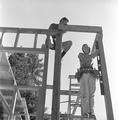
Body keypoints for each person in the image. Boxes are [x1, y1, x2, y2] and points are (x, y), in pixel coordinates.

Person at [75, 42, 99, 118]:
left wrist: (97, 49)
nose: (86, 48)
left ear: (89, 49)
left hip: (91, 74)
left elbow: (97, 52)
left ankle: (91, 112)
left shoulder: (91, 56)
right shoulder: (80, 55)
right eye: (84, 47)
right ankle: (85, 112)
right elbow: (86, 59)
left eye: (87, 47)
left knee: (91, 94)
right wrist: (93, 55)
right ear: (83, 50)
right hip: (84, 74)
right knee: (85, 94)